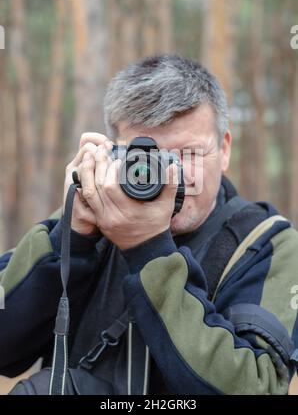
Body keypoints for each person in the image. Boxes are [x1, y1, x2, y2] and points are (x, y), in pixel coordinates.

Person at [0, 54, 297, 395]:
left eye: (188, 154)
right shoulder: (89, 217)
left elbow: (255, 389)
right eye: (147, 158)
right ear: (112, 153)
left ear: (224, 149)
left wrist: (148, 249)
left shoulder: (266, 243)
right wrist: (71, 240)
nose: (173, 177)